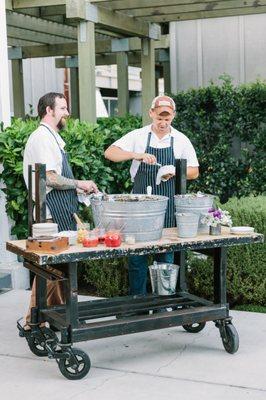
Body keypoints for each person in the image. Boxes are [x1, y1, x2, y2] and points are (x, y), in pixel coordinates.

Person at [104, 95, 199, 296]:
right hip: (139, 209)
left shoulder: (180, 139)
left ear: (173, 116)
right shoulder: (138, 136)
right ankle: (137, 301)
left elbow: (194, 171)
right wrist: (135, 155)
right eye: (159, 118)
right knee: (137, 257)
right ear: (151, 114)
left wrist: (173, 170)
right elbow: (110, 153)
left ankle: (162, 303)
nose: (163, 123)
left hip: (167, 208)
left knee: (165, 257)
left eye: (167, 119)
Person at [23, 92, 98, 328]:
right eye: (63, 108)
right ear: (49, 111)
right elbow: (51, 178)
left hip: (60, 209)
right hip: (50, 215)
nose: (67, 113)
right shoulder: (42, 138)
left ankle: (54, 317)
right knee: (52, 268)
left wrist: (77, 191)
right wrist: (79, 183)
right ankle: (33, 320)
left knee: (59, 268)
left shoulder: (52, 137)